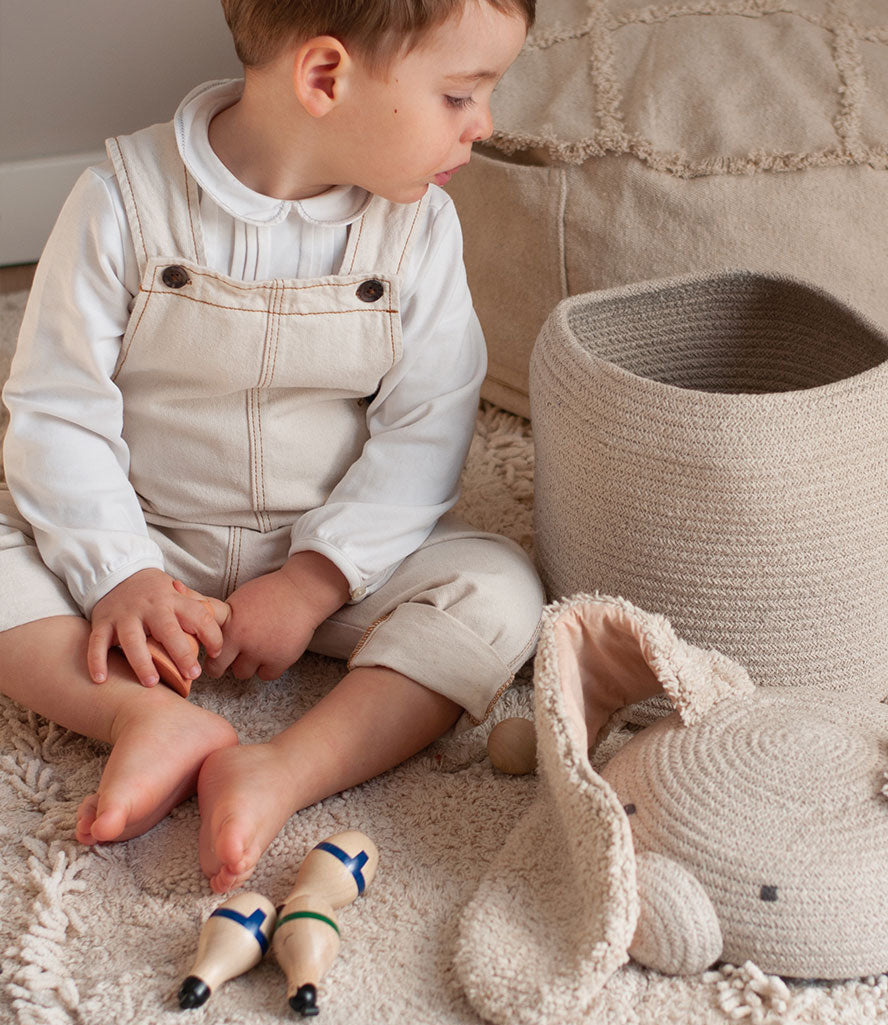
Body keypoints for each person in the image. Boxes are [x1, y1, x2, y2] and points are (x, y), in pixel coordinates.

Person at [0, 0, 542, 894]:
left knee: (499, 589)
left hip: (323, 553)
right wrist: (118, 574)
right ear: (324, 77)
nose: (484, 124)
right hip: (150, 539)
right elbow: (57, 410)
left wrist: (316, 580)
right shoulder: (122, 201)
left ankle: (284, 768)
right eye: (459, 95)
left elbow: (430, 421)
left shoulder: (418, 229)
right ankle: (144, 719)